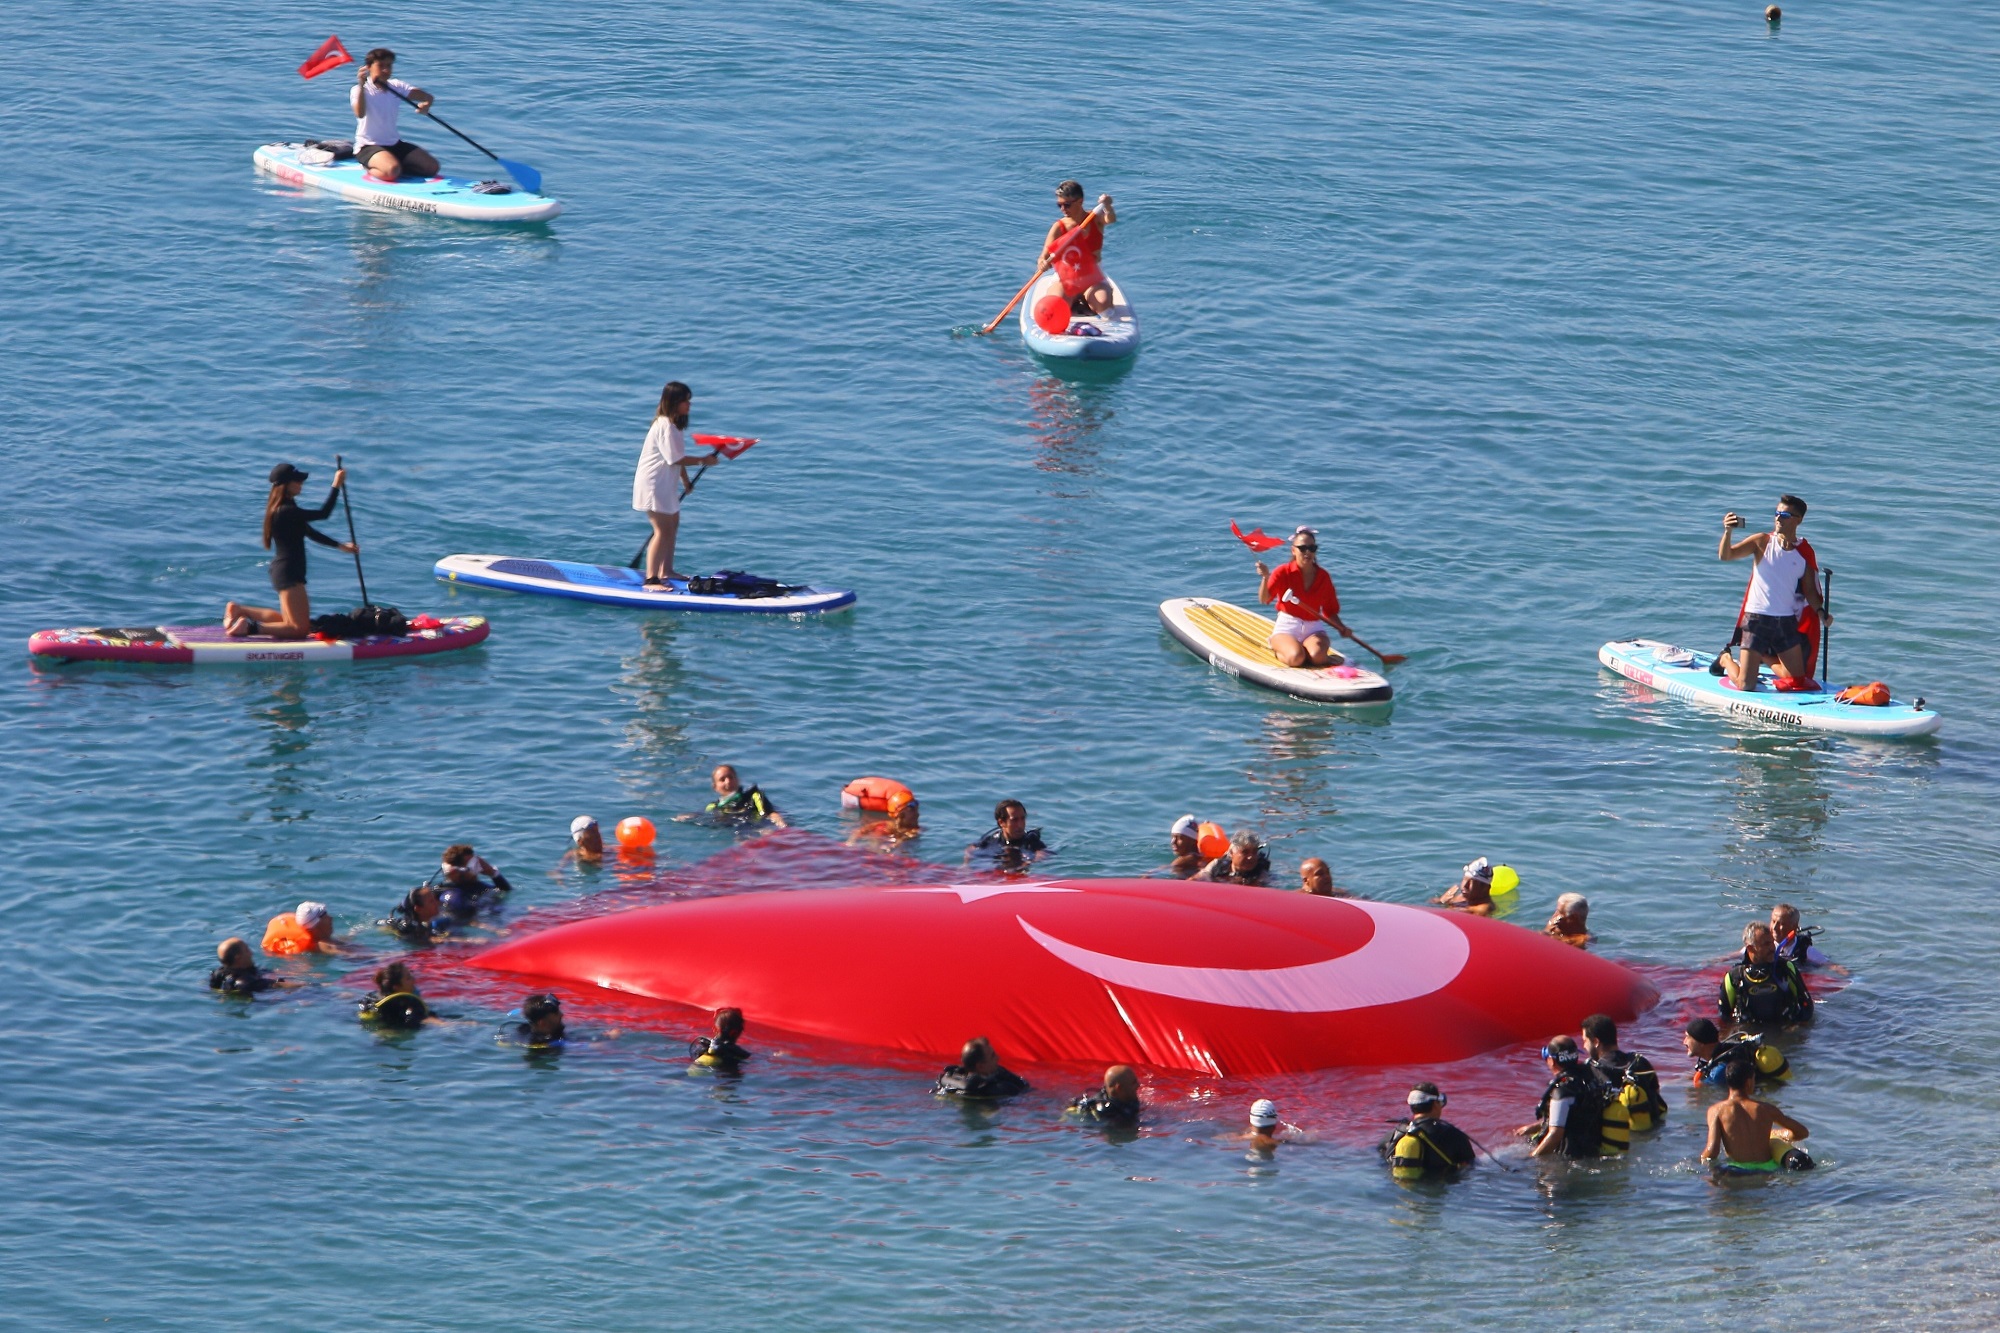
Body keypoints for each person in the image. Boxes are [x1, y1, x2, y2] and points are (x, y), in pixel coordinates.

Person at [224, 463, 356, 639]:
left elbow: (310, 532)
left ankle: (240, 610)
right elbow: (324, 513)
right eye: (297, 481)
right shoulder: (287, 511)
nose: (301, 484)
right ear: (286, 484)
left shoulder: (282, 509)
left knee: (284, 621)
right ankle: (249, 628)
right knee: (300, 629)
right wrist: (336, 485)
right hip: (290, 572)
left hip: (284, 570)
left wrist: (340, 546)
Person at [1715, 495, 1830, 691]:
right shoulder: (1762, 542)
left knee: (1796, 680)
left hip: (1785, 622)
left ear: (1798, 520)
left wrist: (1821, 612)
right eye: (1776, 514)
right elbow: (1726, 555)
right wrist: (1728, 531)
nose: (1778, 518)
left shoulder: (1804, 552)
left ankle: (1762, 655)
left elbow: (1810, 591)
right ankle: (1725, 659)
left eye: (1784, 515)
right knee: (1746, 685)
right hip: (1756, 619)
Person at [632, 381, 722, 589]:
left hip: (666, 484)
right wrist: (703, 460)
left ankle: (667, 570)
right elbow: (674, 459)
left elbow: (675, 458)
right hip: (653, 484)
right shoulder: (664, 425)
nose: (689, 405)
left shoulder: (674, 426)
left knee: (672, 526)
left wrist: (686, 481)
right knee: (661, 530)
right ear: (674, 402)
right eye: (685, 401)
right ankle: (651, 579)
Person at [1253, 526, 1352, 669]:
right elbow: (1264, 599)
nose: (1307, 552)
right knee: (1296, 658)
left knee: (1318, 657)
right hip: (1287, 627)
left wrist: (1342, 628)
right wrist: (1265, 577)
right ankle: (1279, 649)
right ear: (1293, 550)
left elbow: (1330, 611)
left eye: (1312, 548)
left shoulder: (1323, 577)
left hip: (1313, 629)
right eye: (1303, 548)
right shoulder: (1283, 572)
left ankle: (1304, 651)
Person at [1517, 1035, 1629, 1159]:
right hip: (1592, 1150)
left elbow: (1555, 1134)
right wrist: (1533, 1127)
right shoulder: (1591, 1078)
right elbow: (1576, 1116)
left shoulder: (1562, 1091)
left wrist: (1531, 1158)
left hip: (1570, 1158)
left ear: (1551, 1061)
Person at [1701, 1059, 1814, 1174]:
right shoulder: (1766, 1109)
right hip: (1768, 1170)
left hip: (1737, 1171)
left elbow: (1712, 1152)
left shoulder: (1716, 1111)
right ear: (1749, 1082)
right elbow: (1802, 1132)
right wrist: (1782, 1135)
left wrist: (1700, 1162)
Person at [350, 48, 438, 182]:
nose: (386, 70)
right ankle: (371, 167)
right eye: (381, 66)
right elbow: (360, 113)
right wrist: (362, 86)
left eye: (389, 66)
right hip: (367, 146)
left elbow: (427, 96)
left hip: (394, 144)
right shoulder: (358, 90)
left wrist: (427, 104)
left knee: (432, 167)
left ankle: (394, 166)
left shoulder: (396, 86)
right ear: (369, 67)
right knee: (391, 172)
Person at [1038, 180, 1118, 317]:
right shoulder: (1058, 227)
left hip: (1092, 279)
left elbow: (1110, 219)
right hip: (1067, 279)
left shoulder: (1094, 219)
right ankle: (1072, 300)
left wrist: (1108, 206)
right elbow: (1043, 257)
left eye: (1067, 205)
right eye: (1060, 205)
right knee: (1056, 308)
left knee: (1106, 309)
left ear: (1080, 202)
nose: (1063, 209)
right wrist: (1043, 264)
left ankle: (1086, 300)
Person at [1580, 1013, 1667, 1133]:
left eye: (1585, 1041)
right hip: (1652, 1129)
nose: (1584, 1046)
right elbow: (1656, 1094)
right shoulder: (1640, 1062)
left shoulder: (1591, 1069)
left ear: (1595, 1042)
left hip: (1617, 1138)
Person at [1721, 922, 1814, 1025]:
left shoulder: (1785, 968)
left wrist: (1796, 1027)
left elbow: (1807, 1006)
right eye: (1766, 944)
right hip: (1749, 1031)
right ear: (1751, 948)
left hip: (1784, 1029)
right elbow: (1724, 1015)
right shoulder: (1734, 976)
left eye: (1772, 942)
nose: (1772, 948)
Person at [1382, 1083, 1477, 1180]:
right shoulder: (1453, 1135)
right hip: (1437, 1190)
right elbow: (1470, 1167)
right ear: (1436, 1104)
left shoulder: (1392, 1135)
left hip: (1400, 1190)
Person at [1682, 1017, 1791, 1086]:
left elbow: (1708, 1090)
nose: (1684, 1042)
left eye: (1688, 1037)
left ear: (1701, 1042)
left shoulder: (1719, 1073)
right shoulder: (1727, 1050)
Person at [689, 764, 787, 828]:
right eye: (722, 779)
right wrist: (687, 816)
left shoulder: (753, 796)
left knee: (764, 832)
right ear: (715, 787)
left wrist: (781, 824)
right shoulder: (713, 806)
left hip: (759, 824)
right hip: (737, 828)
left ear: (738, 780)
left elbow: (770, 813)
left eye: (731, 777)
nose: (728, 782)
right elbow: (700, 816)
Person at [933, 1036, 1030, 1100]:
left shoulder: (950, 1082)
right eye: (992, 1055)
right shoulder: (1002, 1088)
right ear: (980, 1066)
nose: (997, 1058)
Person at [431, 844, 512, 919]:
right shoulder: (453, 896)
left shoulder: (478, 886)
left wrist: (493, 873)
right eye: (474, 864)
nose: (479, 866)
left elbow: (506, 891)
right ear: (457, 870)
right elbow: (466, 918)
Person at [968, 799, 1049, 869]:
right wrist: (966, 864)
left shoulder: (1031, 840)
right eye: (1014, 820)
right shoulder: (992, 840)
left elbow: (1042, 853)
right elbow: (971, 849)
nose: (1020, 825)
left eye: (1023, 818)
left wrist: (1031, 862)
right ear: (1001, 822)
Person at [357, 961, 428, 1028]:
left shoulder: (375, 998)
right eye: (408, 978)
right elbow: (422, 1019)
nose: (413, 979)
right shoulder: (405, 1004)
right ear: (396, 987)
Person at [1067, 1065, 1142, 1125]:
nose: (1138, 1085)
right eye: (1134, 1083)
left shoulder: (1124, 1098)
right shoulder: (1110, 1116)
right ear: (1119, 1088)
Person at [262, 901, 340, 956]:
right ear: (316, 925)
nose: (331, 918)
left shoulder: (323, 940)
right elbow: (350, 956)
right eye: (325, 915)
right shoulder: (324, 946)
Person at [688, 1007, 753, 1073]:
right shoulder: (735, 1050)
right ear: (735, 1033)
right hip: (724, 1071)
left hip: (694, 1069)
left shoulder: (706, 1045)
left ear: (715, 1029)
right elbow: (747, 1057)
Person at [1195, 829, 1270, 886]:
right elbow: (1197, 878)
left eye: (1254, 852)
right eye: (1245, 852)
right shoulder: (1217, 865)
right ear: (1231, 853)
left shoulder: (1261, 873)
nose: (1251, 857)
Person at [208, 938, 279, 995]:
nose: (251, 953)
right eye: (247, 950)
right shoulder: (247, 982)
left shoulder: (217, 975)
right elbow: (282, 986)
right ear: (238, 957)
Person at [1770, 903, 1832, 968]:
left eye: (1781, 924)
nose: (1774, 927)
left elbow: (1831, 965)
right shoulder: (1763, 943)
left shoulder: (1805, 951)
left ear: (1794, 926)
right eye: (1773, 921)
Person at [849, 795, 922, 846]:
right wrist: (851, 841)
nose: (918, 815)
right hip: (881, 845)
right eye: (914, 812)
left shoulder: (915, 830)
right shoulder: (884, 826)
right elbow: (860, 831)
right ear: (901, 815)